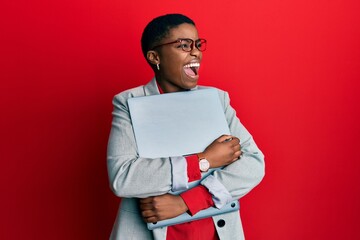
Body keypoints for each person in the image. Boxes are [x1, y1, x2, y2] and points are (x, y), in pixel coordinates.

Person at [107, 13, 265, 240]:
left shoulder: (217, 100)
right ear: (155, 57)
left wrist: (186, 202)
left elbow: (253, 163)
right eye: (184, 45)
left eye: (198, 44)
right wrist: (205, 160)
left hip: (214, 232)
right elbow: (123, 178)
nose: (196, 52)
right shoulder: (129, 103)